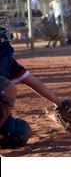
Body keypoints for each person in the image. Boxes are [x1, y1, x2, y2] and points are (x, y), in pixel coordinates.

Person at [0, 15, 64, 148]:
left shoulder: (4, 57)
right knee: (5, 87)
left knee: (17, 132)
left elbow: (33, 82)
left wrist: (59, 103)